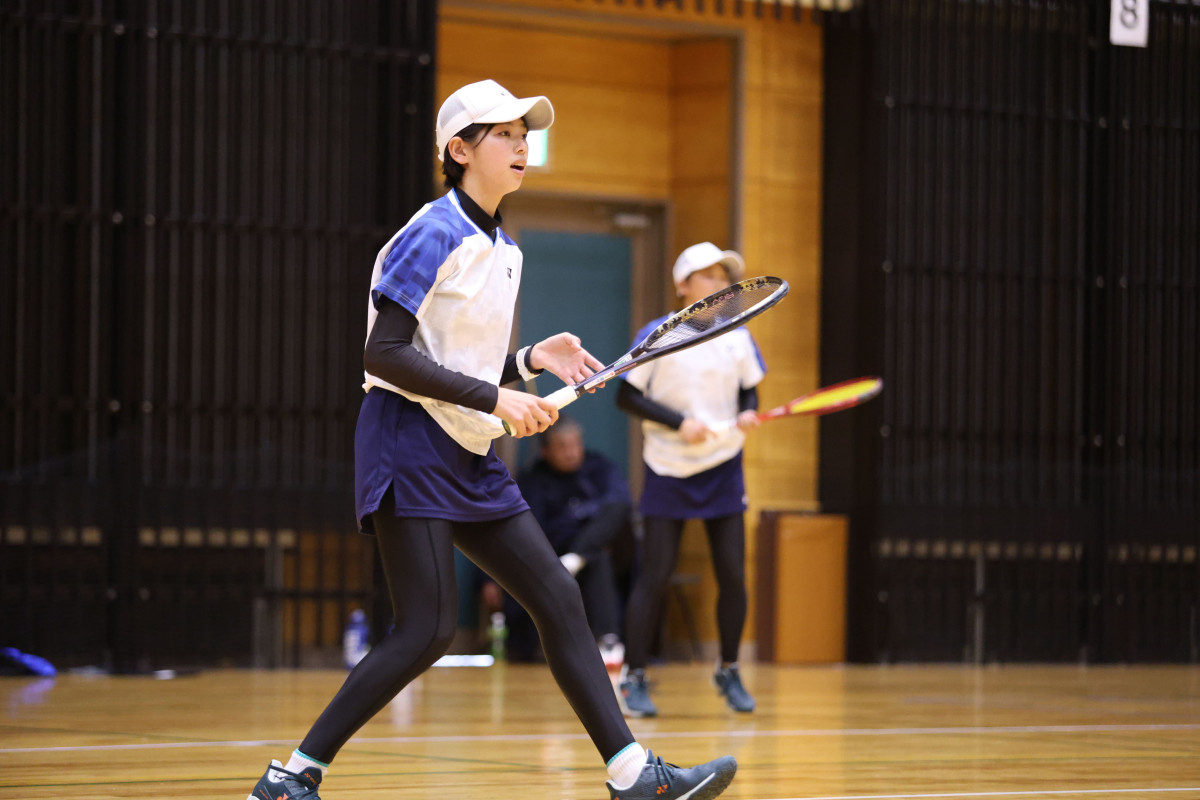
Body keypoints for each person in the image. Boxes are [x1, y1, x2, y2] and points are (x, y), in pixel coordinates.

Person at [245, 80, 737, 800]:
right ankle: (292, 776)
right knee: (426, 631)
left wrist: (530, 360)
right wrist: (498, 398)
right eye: (503, 133)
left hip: (468, 451)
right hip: (408, 440)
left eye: (524, 134)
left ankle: (632, 775)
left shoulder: (505, 247)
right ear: (459, 149)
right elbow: (384, 353)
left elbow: (457, 363)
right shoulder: (432, 231)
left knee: (558, 597)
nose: (521, 145)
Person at [615, 242, 764, 717]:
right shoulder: (657, 335)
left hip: (724, 463)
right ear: (683, 285)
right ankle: (634, 676)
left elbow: (750, 390)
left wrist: (748, 413)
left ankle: (729, 668)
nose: (720, 285)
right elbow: (626, 397)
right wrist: (680, 423)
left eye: (724, 277)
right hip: (669, 466)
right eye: (709, 276)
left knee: (733, 574)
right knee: (655, 574)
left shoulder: (738, 336)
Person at [508, 416, 634, 666]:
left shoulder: (599, 467)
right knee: (596, 557)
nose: (571, 453)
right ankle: (608, 640)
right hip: (555, 555)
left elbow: (618, 504)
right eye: (562, 447)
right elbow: (534, 529)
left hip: (607, 551)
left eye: (575, 445)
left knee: (616, 513)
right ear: (545, 451)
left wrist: (581, 530)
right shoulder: (533, 480)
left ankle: (578, 556)